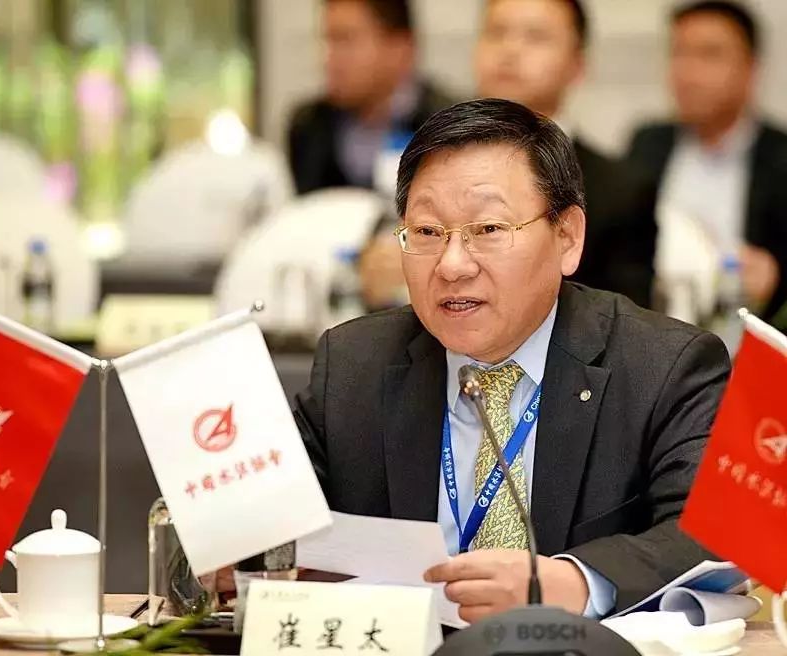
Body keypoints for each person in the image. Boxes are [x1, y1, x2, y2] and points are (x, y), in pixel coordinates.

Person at [295, 99, 729, 622]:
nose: (453, 265)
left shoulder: (665, 367)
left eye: (488, 230)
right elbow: (275, 519)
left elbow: (717, 534)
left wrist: (576, 582)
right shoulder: (353, 365)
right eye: (427, 233)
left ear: (567, 237)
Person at [474, 0, 658, 307]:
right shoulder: (433, 165)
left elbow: (626, 321)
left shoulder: (620, 190)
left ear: (577, 65)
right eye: (497, 32)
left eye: (535, 37)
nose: (510, 50)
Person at [627, 0, 787, 325]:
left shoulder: (780, 157)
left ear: (751, 69)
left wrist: (776, 279)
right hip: (655, 327)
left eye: (709, 55)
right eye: (679, 53)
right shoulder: (647, 144)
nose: (688, 73)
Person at [288, 0, 455, 195]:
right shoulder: (308, 127)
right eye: (327, 40)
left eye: (345, 40)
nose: (328, 58)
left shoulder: (450, 127)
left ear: (401, 47)